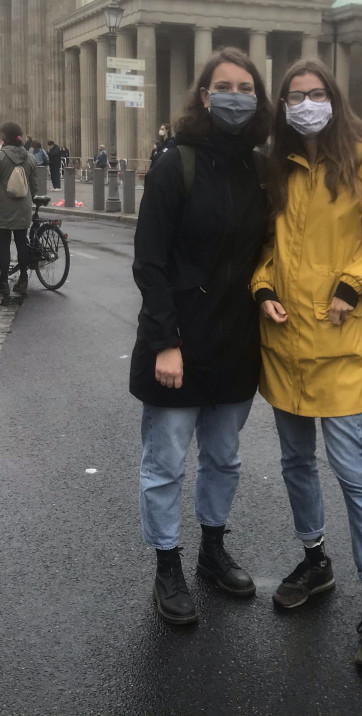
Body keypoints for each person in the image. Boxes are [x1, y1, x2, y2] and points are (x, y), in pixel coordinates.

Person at [252, 57, 362, 669]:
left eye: (315, 94)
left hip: (338, 340)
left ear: (334, 98)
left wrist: (351, 284)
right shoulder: (280, 165)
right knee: (296, 461)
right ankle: (315, 558)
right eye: (294, 96)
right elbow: (270, 246)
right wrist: (263, 289)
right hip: (286, 342)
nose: (305, 104)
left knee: (353, 472)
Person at [131, 48, 271, 626]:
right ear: (205, 95)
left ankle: (213, 549)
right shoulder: (175, 163)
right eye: (224, 86)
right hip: (179, 342)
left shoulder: (260, 169)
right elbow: (150, 261)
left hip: (237, 341)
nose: (236, 95)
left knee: (224, 458)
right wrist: (166, 342)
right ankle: (168, 564)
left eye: (246, 86)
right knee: (165, 461)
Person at [0, 121, 36, 295]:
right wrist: (29, 200)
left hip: (2, 207)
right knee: (22, 243)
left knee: (4, 244)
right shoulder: (30, 158)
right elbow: (34, 185)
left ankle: (3, 281)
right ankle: (23, 279)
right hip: (23, 207)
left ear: (5, 137)